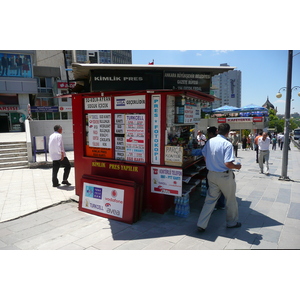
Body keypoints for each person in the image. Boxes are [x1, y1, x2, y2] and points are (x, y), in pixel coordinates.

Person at [197, 123, 242, 232]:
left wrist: (212, 164)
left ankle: (201, 223)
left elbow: (205, 156)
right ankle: (231, 222)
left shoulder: (210, 141)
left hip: (211, 174)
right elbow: (228, 163)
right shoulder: (227, 144)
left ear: (217, 131)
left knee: (209, 200)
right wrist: (237, 166)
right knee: (230, 200)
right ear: (227, 132)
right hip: (224, 176)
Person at [206, 126, 226, 210]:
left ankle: (213, 206)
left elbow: (203, 153)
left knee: (211, 189)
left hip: (212, 170)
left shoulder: (210, 142)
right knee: (221, 188)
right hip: (223, 171)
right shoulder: (225, 141)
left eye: (208, 133)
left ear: (211, 133)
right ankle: (221, 204)